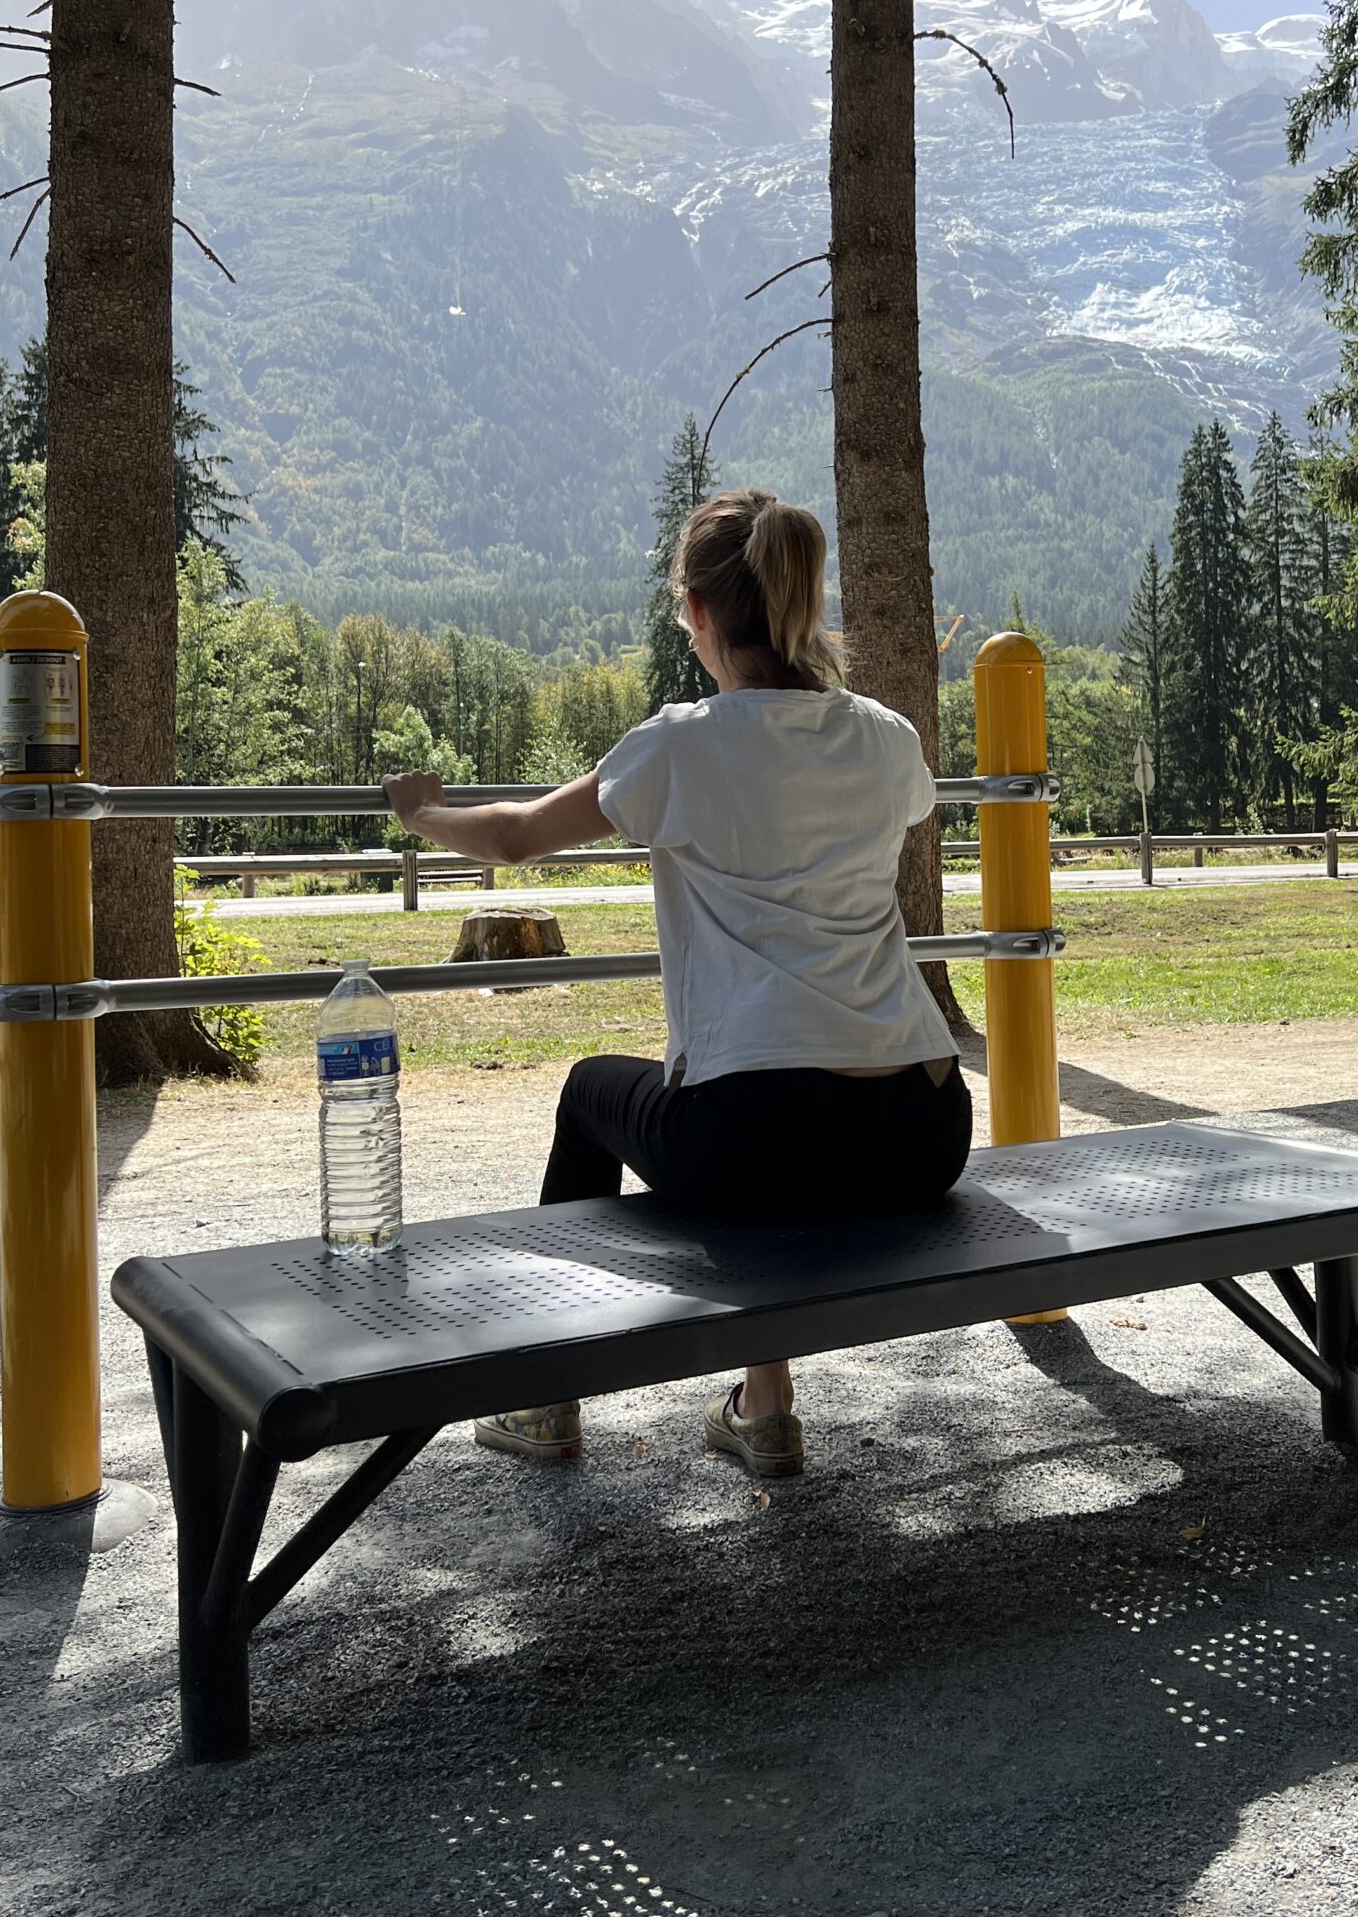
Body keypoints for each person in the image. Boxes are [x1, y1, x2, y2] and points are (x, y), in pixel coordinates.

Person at [383, 487, 971, 1479]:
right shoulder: (884, 735)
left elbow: (516, 835)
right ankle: (763, 1404)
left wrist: (424, 813)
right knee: (775, 1125)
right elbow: (903, 798)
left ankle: (542, 1396)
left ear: (699, 612)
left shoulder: (682, 742)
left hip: (759, 1139)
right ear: (801, 592)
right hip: (922, 1127)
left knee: (592, 1091)